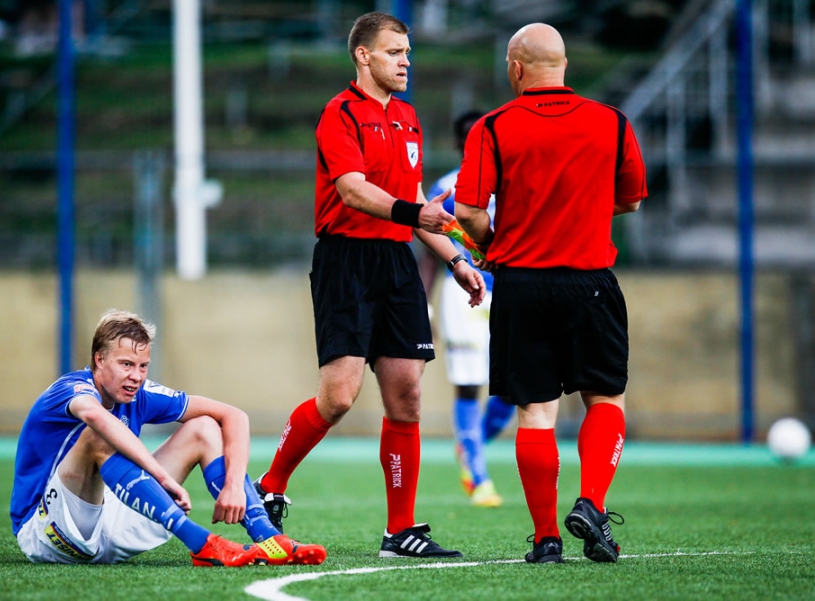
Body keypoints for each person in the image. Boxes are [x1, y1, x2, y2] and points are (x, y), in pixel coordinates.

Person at [253, 11, 485, 559]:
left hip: (396, 263)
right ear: (363, 56)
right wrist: (415, 214)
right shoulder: (339, 114)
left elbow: (417, 199)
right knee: (339, 397)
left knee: (406, 394)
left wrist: (455, 260)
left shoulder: (407, 117)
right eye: (394, 52)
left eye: (408, 52)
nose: (406, 61)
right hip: (346, 260)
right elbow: (354, 191)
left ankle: (399, 532)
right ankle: (268, 486)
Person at [455, 23, 647, 564]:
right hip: (590, 281)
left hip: (521, 283)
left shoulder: (492, 126)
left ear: (515, 68)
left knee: (536, 414)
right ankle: (591, 503)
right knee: (605, 399)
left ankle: (546, 540)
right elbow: (630, 201)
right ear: (565, 65)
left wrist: (491, 244)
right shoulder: (611, 123)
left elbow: (468, 211)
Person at [10, 309, 327, 567]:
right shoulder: (71, 389)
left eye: (143, 366)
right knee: (99, 434)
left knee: (203, 427)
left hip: (109, 519)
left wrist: (233, 485)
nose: (136, 376)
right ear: (98, 360)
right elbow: (96, 419)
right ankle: (202, 544)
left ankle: (269, 538)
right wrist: (162, 477)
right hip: (48, 532)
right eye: (126, 364)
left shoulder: (139, 394)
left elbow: (234, 415)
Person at [418, 110, 515, 508]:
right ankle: (477, 474)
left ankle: (470, 445)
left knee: (513, 382)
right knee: (471, 382)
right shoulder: (446, 187)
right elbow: (427, 249)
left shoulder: (510, 184)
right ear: (465, 144)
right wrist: (425, 305)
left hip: (510, 289)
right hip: (463, 295)